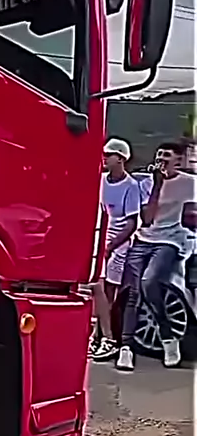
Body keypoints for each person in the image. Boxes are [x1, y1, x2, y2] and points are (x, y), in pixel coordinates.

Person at [116, 141, 196, 371]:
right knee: (132, 292)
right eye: (159, 154)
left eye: (167, 155)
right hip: (144, 240)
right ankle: (126, 348)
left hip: (170, 241)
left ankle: (168, 336)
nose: (161, 159)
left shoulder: (189, 183)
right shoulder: (146, 183)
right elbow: (147, 219)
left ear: (178, 160)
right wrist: (157, 185)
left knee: (149, 281)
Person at [90, 138, 141, 361]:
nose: (104, 158)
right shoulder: (100, 180)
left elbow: (131, 223)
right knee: (97, 287)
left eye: (109, 154)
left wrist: (111, 247)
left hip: (118, 244)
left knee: (107, 291)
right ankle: (99, 337)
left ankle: (105, 339)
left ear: (121, 158)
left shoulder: (131, 186)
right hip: (98, 238)